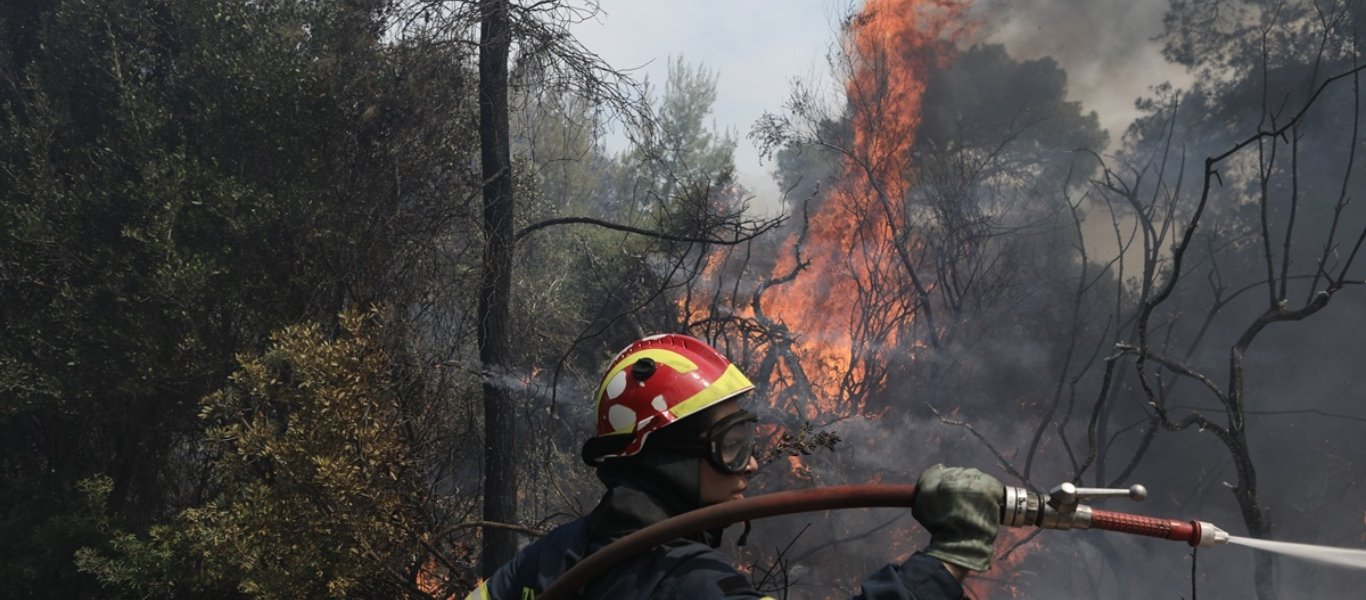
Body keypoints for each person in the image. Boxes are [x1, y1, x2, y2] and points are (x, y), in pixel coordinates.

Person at [465, 333, 1002, 599]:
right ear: (666, 459)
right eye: (731, 445)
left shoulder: (551, 557)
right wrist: (944, 564)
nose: (747, 468)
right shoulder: (688, 583)